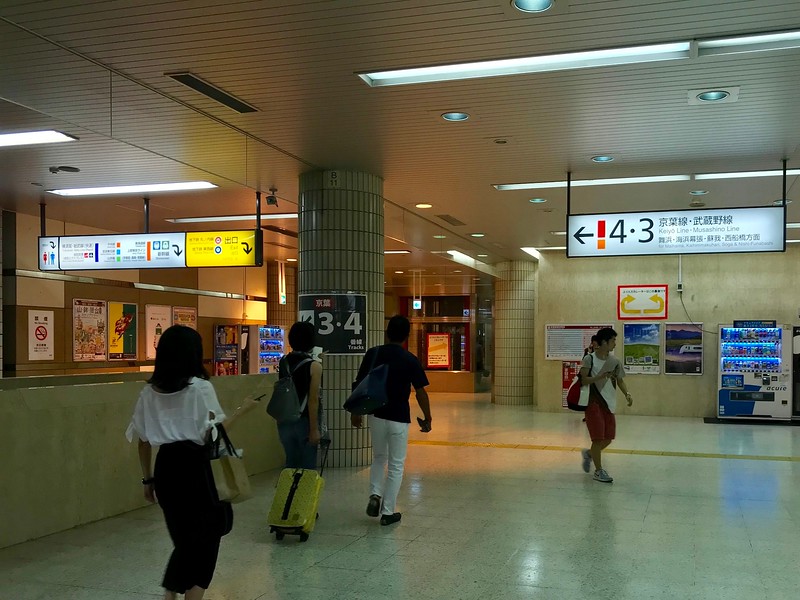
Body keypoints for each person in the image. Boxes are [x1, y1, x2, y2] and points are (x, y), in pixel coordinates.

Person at [125, 325, 260, 600]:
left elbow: (142, 441)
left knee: (184, 540)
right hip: (198, 469)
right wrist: (242, 410)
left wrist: (148, 479)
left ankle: (170, 592)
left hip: (166, 469)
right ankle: (177, 593)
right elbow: (213, 434)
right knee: (208, 538)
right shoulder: (200, 389)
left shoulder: (148, 393)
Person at [351, 315, 432, 526]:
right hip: (399, 418)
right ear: (406, 336)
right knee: (396, 465)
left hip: (376, 415)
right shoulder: (409, 359)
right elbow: (420, 392)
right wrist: (427, 417)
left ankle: (375, 494)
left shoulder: (373, 353)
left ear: (387, 333)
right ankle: (388, 512)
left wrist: (356, 412)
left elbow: (359, 383)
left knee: (379, 457)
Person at [579, 327, 633, 483]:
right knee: (597, 438)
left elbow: (620, 380)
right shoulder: (589, 359)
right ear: (604, 342)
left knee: (608, 438)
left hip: (608, 403)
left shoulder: (615, 362)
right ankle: (598, 471)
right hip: (593, 402)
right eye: (613, 340)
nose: (615, 343)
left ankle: (589, 454)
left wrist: (627, 394)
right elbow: (583, 380)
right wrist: (599, 377)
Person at [277, 320, 322, 469]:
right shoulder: (314, 366)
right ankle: (302, 493)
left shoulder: (283, 362)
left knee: (290, 464)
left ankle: (287, 492)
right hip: (304, 421)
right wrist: (314, 429)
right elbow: (313, 400)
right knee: (307, 469)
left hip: (284, 421)